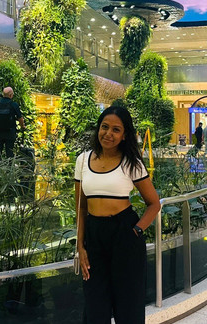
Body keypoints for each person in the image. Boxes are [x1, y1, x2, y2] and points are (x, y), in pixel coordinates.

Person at [75, 106, 160, 324]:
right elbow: (81, 208)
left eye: (116, 130)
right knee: (95, 306)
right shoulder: (83, 160)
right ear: (98, 129)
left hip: (125, 232)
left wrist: (136, 230)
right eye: (104, 127)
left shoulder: (131, 163)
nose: (108, 134)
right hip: (94, 235)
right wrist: (80, 246)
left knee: (128, 306)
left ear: (124, 135)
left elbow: (154, 204)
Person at [0, 87, 25, 161]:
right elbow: (20, 118)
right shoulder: (14, 105)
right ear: (10, 95)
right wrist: (22, 126)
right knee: (9, 153)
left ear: (3, 94)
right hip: (10, 132)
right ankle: (9, 167)